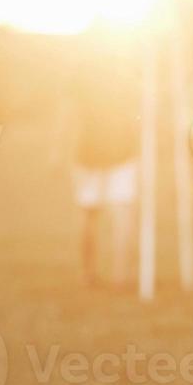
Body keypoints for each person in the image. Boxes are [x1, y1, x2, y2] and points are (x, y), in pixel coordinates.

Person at [66, 36, 141, 289]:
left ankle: (88, 274)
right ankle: (121, 276)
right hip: (117, 150)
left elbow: (69, 113)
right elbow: (136, 113)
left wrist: (57, 150)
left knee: (90, 214)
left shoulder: (81, 73)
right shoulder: (124, 70)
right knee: (121, 212)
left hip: (91, 152)